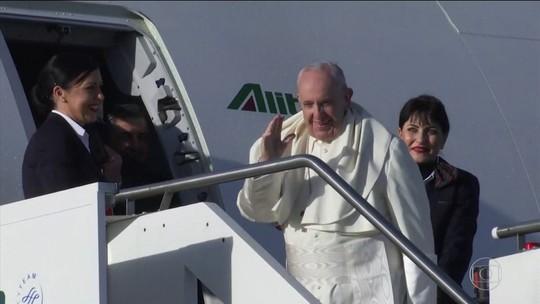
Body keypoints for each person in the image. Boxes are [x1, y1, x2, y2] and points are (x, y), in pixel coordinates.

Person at [236, 61, 436, 303]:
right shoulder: (282, 142)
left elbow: (417, 244)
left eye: (326, 103)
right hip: (301, 291)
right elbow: (258, 211)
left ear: (347, 97)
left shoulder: (385, 150)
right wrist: (268, 163)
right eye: (308, 104)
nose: (317, 115)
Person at [398, 95, 480, 304]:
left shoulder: (461, 184)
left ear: (444, 138)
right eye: (412, 129)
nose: (421, 139)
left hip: (436, 295)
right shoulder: (381, 179)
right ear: (399, 134)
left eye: (431, 131)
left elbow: (456, 251)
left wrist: (432, 297)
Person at [22, 52, 122, 200]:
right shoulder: (52, 142)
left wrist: (112, 179)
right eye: (90, 88)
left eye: (100, 87)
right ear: (60, 93)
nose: (101, 96)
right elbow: (66, 208)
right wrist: (111, 183)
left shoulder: (82, 135)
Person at [105, 102, 180, 214]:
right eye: (126, 137)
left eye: (142, 138)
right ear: (111, 140)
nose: (135, 145)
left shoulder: (163, 188)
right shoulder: (101, 186)